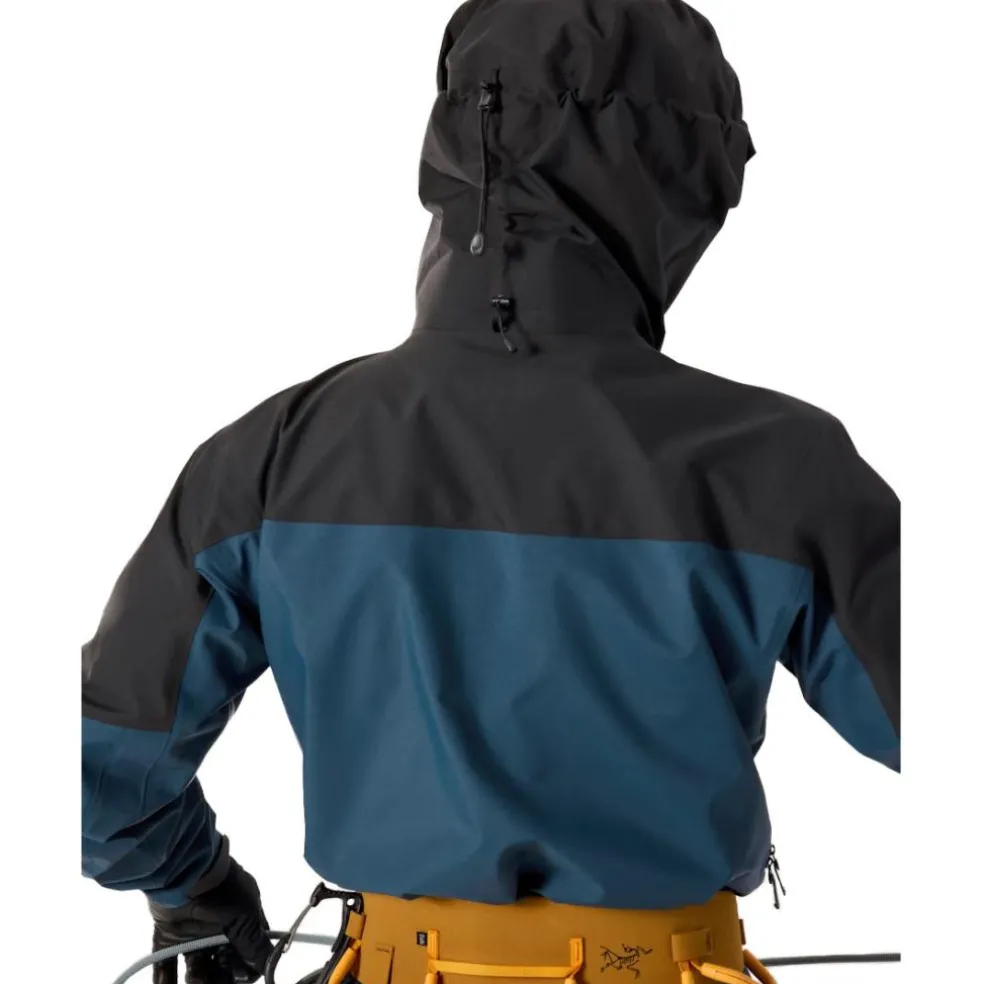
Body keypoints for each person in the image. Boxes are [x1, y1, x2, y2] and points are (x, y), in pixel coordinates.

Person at [81, 0, 900, 981]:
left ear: (454, 151)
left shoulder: (273, 456)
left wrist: (195, 887)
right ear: (685, 182)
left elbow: (100, 767)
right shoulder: (780, 463)